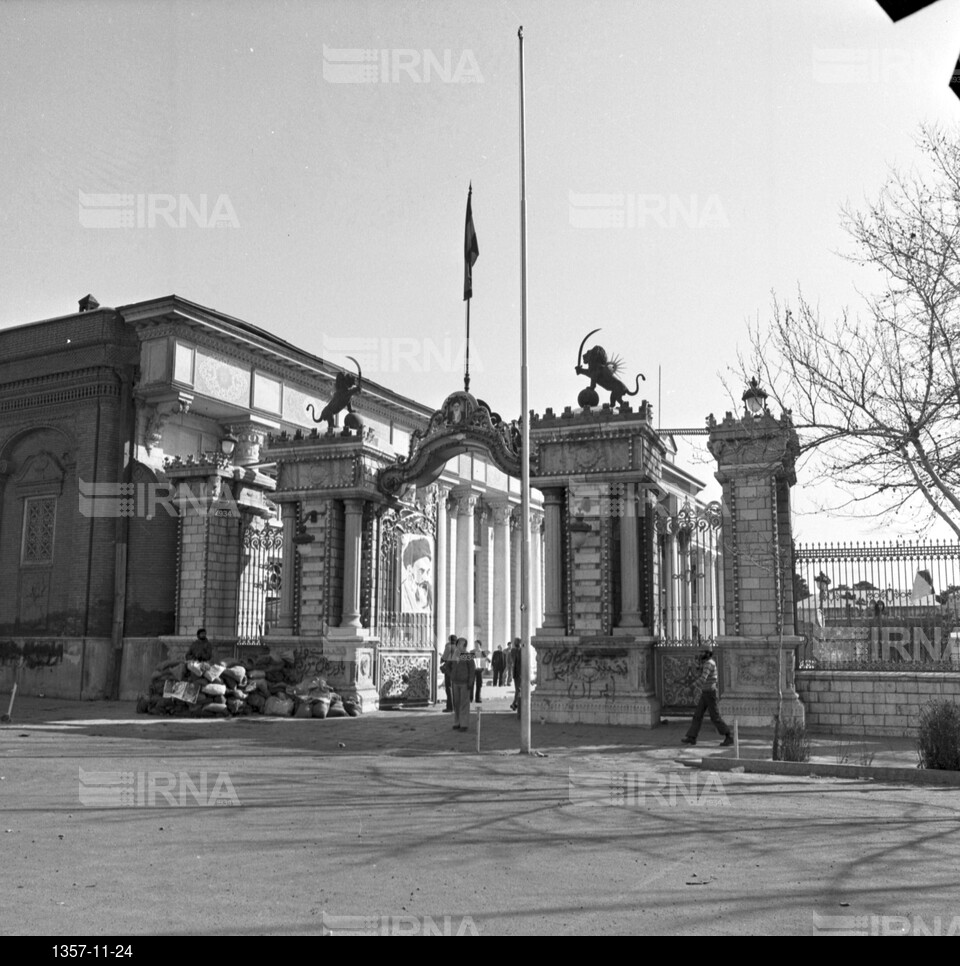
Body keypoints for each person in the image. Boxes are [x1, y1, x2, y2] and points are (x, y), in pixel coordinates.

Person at [682, 649, 733, 747]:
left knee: (715, 717)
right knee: (698, 715)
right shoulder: (707, 663)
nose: (700, 654)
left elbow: (702, 678)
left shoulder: (709, 664)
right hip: (705, 692)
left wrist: (690, 687)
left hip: (710, 693)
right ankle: (692, 737)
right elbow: (702, 675)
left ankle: (728, 736)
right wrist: (698, 667)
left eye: (702, 652)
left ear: (707, 653)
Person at [400, 535, 433, 614]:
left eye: (428, 572)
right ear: (409, 569)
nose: (426, 578)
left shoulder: (429, 590)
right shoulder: (403, 591)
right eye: (421, 571)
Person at [450, 637, 475, 732]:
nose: (458, 645)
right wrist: (450, 674)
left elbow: (472, 670)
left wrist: (470, 682)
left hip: (465, 683)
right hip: (455, 682)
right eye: (458, 644)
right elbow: (448, 666)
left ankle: (464, 724)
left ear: (464, 646)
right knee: (456, 703)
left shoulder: (468, 655)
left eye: (460, 644)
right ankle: (457, 722)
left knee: (464, 704)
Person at [440, 635, 457, 712]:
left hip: (450, 669)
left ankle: (450, 707)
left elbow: (443, 658)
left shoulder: (449, 647)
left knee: (449, 688)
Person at [510, 639, 522, 711]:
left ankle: (515, 704)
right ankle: (515, 704)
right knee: (518, 689)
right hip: (517, 673)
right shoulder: (515, 651)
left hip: (518, 673)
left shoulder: (519, 651)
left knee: (518, 689)